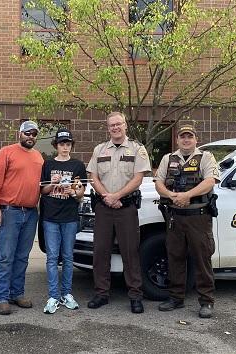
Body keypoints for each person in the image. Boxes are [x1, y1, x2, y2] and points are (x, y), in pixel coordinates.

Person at [86, 111, 151, 314]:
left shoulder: (137, 149)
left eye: (118, 124)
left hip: (126, 208)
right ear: (108, 128)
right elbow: (93, 176)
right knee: (100, 252)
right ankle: (101, 293)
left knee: (130, 252)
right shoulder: (99, 149)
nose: (115, 127)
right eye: (111, 125)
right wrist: (107, 196)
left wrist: (117, 196)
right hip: (104, 208)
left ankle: (135, 295)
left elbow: (138, 178)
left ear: (125, 126)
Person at [154, 124, 220, 318]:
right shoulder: (168, 158)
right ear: (177, 139)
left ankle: (206, 302)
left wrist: (187, 195)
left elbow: (210, 181)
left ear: (195, 139)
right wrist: (171, 195)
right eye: (182, 136)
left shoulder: (205, 157)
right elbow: (158, 182)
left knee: (202, 259)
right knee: (175, 257)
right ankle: (176, 298)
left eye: (189, 136)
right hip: (175, 217)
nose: (186, 140)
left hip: (198, 217)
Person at [0, 120, 44, 315]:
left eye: (34, 134)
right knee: (6, 256)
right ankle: (1, 296)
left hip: (30, 213)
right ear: (19, 134)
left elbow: (41, 185)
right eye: (27, 133)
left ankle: (16, 293)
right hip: (9, 211)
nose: (31, 136)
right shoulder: (6, 152)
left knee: (22, 257)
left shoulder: (38, 157)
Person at [40, 128, 87, 314]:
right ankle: (53, 295)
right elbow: (42, 191)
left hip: (70, 217)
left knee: (68, 257)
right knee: (52, 257)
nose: (65, 147)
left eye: (68, 144)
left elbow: (81, 192)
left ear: (71, 146)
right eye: (62, 144)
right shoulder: (48, 164)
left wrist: (73, 192)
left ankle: (66, 293)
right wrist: (54, 183)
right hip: (50, 217)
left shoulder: (78, 165)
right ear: (56, 146)